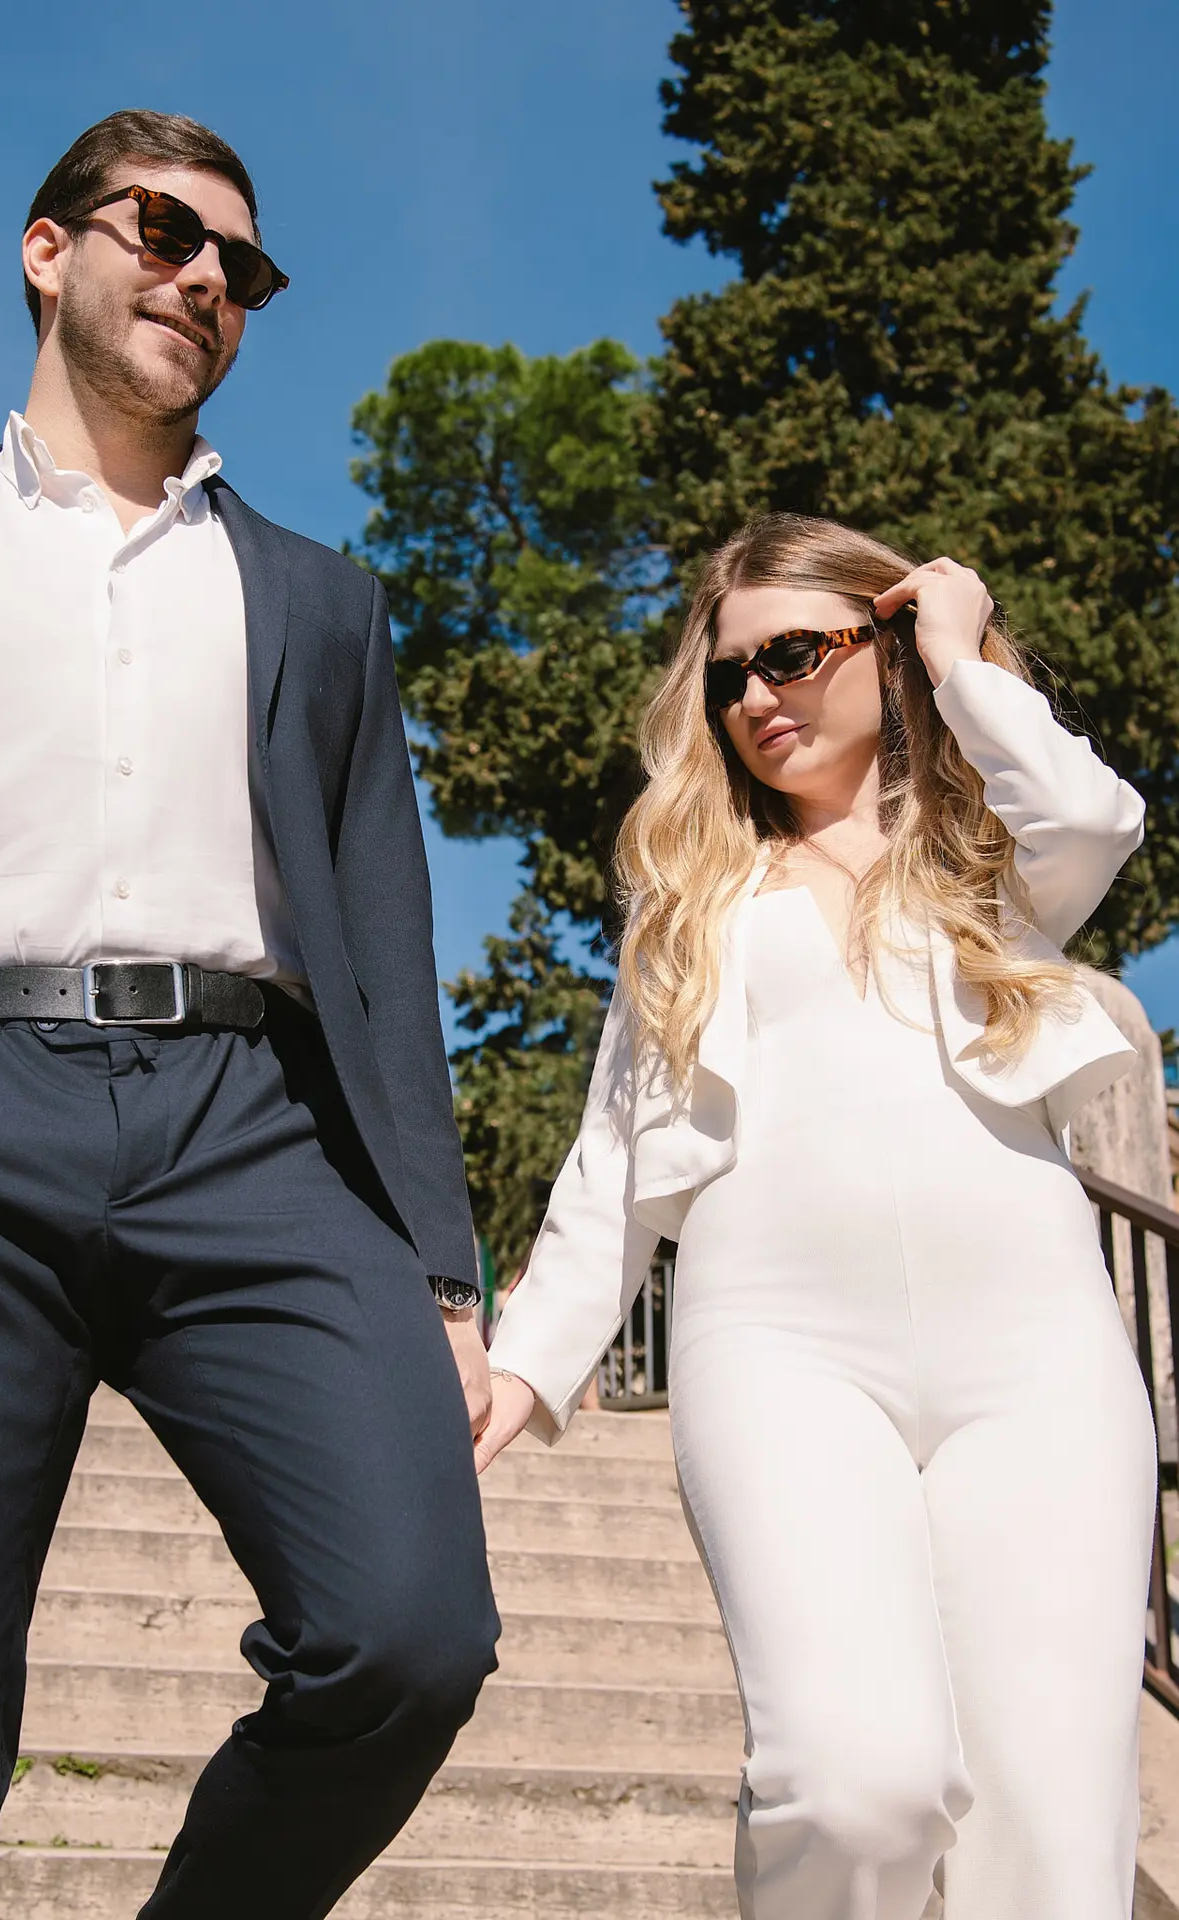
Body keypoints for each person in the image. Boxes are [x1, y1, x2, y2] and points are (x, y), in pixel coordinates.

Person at [0, 109, 499, 1920]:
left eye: (239, 264)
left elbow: (383, 935)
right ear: (45, 247)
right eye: (163, 232)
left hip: (255, 1128)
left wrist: (444, 1267)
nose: (203, 279)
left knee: (409, 1630)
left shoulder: (321, 599)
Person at [478, 514, 1157, 1920]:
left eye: (790, 654)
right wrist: (527, 1360)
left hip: (1041, 1367)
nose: (753, 699)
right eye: (728, 676)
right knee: (855, 1779)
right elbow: (616, 1155)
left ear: (882, 646)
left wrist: (958, 658)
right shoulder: (694, 895)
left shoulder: (992, 862)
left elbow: (1097, 816)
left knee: (1053, 1845)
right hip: (780, 1353)